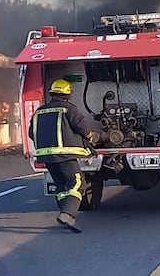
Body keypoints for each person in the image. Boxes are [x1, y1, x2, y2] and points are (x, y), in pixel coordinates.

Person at [28, 78, 94, 233]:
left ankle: (68, 217)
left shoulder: (39, 111)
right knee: (78, 183)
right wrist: (90, 136)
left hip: (46, 156)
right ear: (68, 94)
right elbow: (81, 126)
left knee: (62, 186)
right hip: (64, 155)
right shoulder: (68, 109)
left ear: (51, 93)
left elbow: (32, 133)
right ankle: (67, 214)